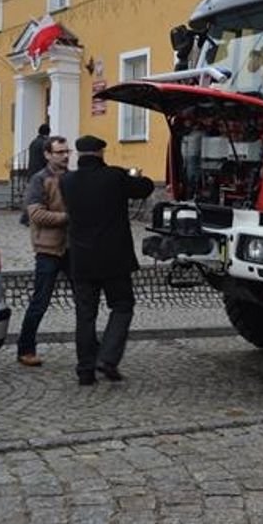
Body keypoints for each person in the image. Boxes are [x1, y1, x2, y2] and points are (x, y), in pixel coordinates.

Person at [59, 135, 154, 385]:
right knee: (122, 306)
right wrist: (133, 174)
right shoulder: (114, 176)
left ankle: (85, 370)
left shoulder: (67, 181)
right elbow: (145, 187)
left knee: (85, 315)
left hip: (82, 259)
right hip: (114, 258)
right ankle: (108, 358)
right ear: (101, 152)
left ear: (79, 154)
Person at [15, 136, 71, 367]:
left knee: (85, 299)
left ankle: (90, 349)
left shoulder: (72, 177)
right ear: (48, 155)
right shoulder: (40, 179)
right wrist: (68, 218)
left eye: (67, 151)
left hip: (72, 247)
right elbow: (36, 215)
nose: (65, 155)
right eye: (59, 152)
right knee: (40, 301)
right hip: (48, 248)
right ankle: (25, 348)